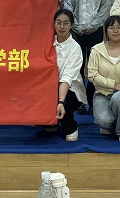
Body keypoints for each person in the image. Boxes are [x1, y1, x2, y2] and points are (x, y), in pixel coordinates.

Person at [66, 0, 111, 114]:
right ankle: (78, 101)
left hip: (95, 31)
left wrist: (92, 26)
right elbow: (68, 6)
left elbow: (105, 6)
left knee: (94, 66)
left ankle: (92, 101)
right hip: (76, 31)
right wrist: (76, 26)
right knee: (76, 66)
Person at [88, 16, 120, 142]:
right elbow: (92, 75)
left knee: (118, 98)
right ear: (106, 31)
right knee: (103, 121)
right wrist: (113, 85)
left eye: (119, 27)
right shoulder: (96, 50)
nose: (115, 31)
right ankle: (113, 123)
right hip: (102, 93)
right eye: (111, 28)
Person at [53, 9, 87, 142]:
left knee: (61, 94)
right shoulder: (47, 43)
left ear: (71, 25)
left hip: (70, 92)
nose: (62, 27)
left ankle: (71, 128)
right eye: (58, 23)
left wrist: (61, 101)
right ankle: (51, 123)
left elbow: (66, 79)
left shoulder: (75, 48)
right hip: (49, 87)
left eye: (66, 23)